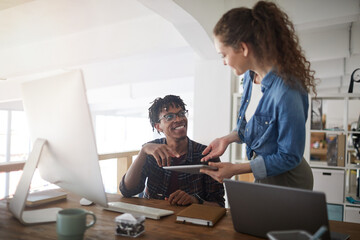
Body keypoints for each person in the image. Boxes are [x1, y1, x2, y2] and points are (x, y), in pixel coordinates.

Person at [200, 1, 316, 190]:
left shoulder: (288, 90)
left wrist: (236, 169)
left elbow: (289, 156)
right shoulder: (249, 76)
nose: (223, 62)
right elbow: (254, 128)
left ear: (243, 48)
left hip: (289, 181)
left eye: (223, 54)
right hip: (265, 175)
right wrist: (227, 139)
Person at [119, 95, 225, 207]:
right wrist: (143, 150)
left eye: (181, 113)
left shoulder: (207, 154)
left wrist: (194, 201)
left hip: (192, 220)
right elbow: (127, 191)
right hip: (153, 217)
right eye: (169, 117)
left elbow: (219, 205)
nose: (179, 119)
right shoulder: (151, 151)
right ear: (158, 127)